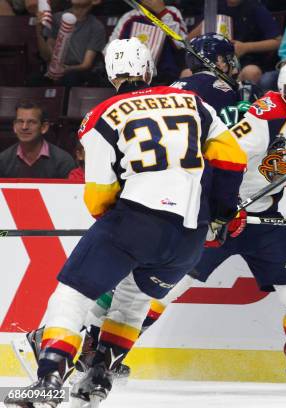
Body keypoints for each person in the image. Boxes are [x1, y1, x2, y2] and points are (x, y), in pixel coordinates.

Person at [3, 37, 247, 408]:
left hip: (136, 221)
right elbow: (232, 158)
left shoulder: (101, 115)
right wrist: (223, 212)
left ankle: (50, 377)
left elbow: (99, 194)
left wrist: (117, 233)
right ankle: (99, 377)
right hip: (190, 238)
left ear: (109, 73)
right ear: (148, 70)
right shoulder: (193, 102)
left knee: (73, 293)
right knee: (133, 301)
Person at [105, 60, 286, 389]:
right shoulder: (264, 118)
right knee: (166, 289)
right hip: (219, 216)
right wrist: (220, 209)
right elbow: (216, 161)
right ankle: (107, 357)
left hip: (263, 220)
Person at [172, 33, 261, 127]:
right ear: (220, 61)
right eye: (230, 58)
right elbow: (231, 136)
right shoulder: (222, 89)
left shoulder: (174, 84)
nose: (234, 70)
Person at [187, 0, 283, 84]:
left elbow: (277, 42)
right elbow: (187, 42)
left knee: (252, 72)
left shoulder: (255, 8)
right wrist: (204, 24)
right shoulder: (213, 5)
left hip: (246, 61)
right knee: (187, 73)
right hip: (213, 61)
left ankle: (246, 103)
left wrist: (246, 47)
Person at [109, 0, 189, 84]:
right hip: (133, 79)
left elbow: (181, 44)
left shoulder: (172, 12)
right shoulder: (129, 17)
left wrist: (162, 12)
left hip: (167, 77)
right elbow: (110, 48)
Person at [34, 0, 106, 86]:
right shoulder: (56, 18)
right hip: (54, 70)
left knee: (70, 78)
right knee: (34, 80)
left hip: (78, 72)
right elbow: (48, 56)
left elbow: (86, 64)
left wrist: (66, 69)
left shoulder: (96, 26)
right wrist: (39, 31)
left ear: (95, 1)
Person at [0, 101, 76, 178]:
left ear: (44, 127)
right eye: (20, 121)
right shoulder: (3, 160)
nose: (24, 127)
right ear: (14, 127)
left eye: (31, 122)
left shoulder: (63, 161)